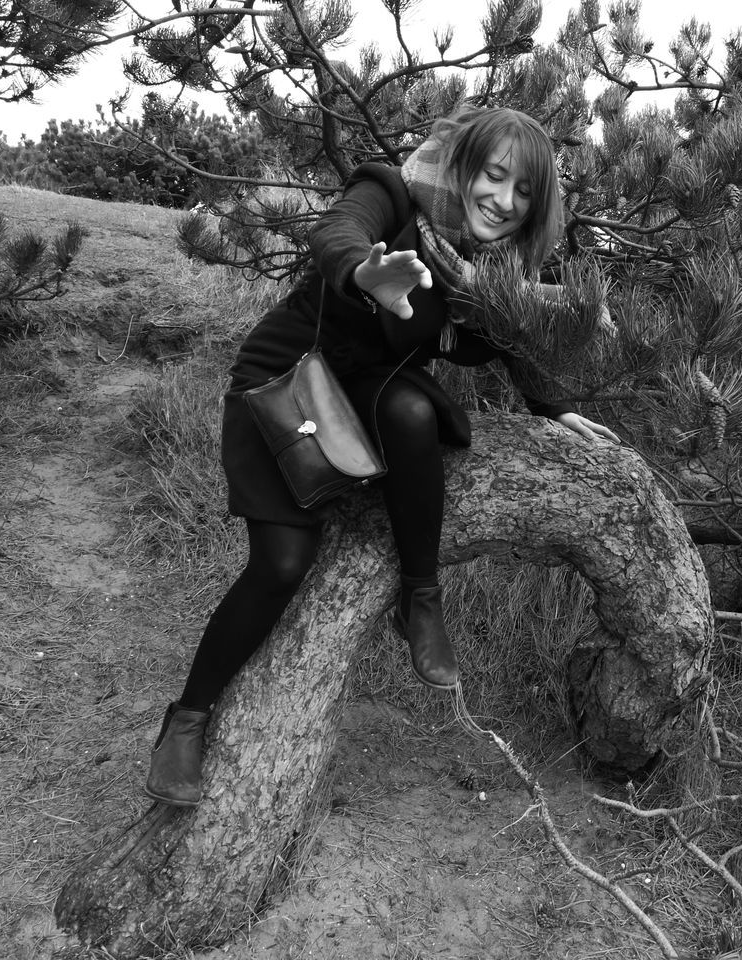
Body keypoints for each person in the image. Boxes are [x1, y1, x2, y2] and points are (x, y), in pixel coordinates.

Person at [143, 106, 620, 807]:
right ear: (463, 167)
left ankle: (419, 601)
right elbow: (335, 231)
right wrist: (365, 274)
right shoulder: (393, 192)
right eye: (494, 177)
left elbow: (510, 335)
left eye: (524, 193)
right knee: (280, 564)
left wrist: (552, 406)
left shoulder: (493, 270)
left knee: (414, 409)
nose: (504, 202)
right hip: (289, 375)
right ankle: (187, 718)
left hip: (369, 388)